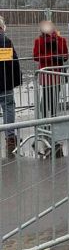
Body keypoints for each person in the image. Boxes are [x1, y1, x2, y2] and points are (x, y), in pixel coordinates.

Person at [33, 20, 69, 156]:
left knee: (53, 98)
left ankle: (51, 122)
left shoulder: (61, 40)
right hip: (46, 74)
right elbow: (36, 56)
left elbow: (66, 55)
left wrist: (60, 56)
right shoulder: (39, 41)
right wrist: (51, 57)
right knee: (46, 98)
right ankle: (45, 123)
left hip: (56, 74)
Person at [0, 16, 22, 156]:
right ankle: (10, 138)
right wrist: (16, 79)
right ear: (2, 27)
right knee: (8, 107)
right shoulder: (4, 41)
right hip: (3, 82)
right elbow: (9, 63)